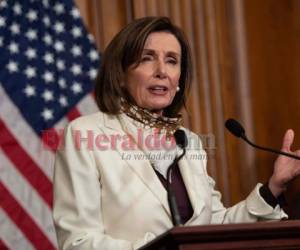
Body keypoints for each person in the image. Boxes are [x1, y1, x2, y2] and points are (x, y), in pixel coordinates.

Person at [53, 16, 300, 250]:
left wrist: (273, 187)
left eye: (172, 60)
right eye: (147, 58)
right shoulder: (85, 134)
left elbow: (215, 230)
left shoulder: (188, 142)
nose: (162, 70)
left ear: (178, 78)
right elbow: (79, 241)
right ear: (120, 75)